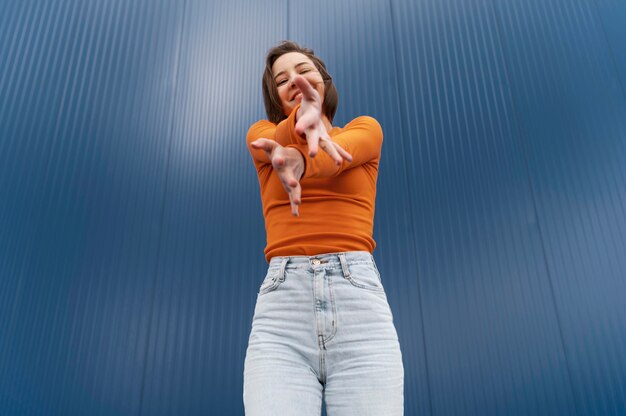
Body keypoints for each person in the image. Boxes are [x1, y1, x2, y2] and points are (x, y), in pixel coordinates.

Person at [243, 40, 404, 416]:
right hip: (283, 315)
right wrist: (293, 143)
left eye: (304, 71)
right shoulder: (264, 135)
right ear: (276, 98)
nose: (294, 80)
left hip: (359, 309)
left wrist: (302, 161)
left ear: (324, 81)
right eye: (282, 79)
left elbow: (339, 155)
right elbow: (271, 146)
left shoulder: (366, 129)